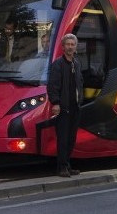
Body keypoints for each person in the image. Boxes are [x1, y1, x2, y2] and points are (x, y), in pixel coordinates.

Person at [47, 33, 83, 178]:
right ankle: (61, 167)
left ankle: (67, 165)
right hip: (63, 107)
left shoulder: (77, 63)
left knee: (71, 138)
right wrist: (55, 103)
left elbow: (80, 83)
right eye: (67, 44)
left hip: (75, 107)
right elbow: (53, 86)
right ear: (63, 47)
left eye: (72, 44)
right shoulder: (58, 65)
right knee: (63, 138)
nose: (70, 47)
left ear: (75, 47)